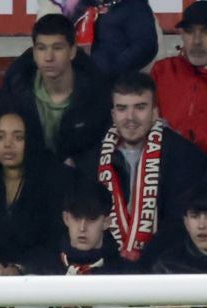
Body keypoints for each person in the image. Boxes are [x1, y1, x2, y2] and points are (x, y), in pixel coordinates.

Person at [84, 70, 207, 264]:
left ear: (155, 111)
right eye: (122, 109)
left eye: (140, 107)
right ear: (113, 114)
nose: (130, 117)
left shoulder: (186, 156)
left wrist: (141, 264)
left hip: (166, 268)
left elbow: (179, 222)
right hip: (105, 268)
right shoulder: (92, 159)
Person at [0, 13, 111, 164]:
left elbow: (105, 152)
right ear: (34, 52)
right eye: (41, 48)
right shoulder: (13, 93)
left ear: (72, 52)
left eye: (57, 48)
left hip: (79, 182)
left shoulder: (96, 95)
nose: (48, 57)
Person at [0, 112, 62, 276]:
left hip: (32, 274)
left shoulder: (50, 185)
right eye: (0, 137)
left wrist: (19, 268)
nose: (8, 144)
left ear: (30, 142)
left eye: (18, 138)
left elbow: (52, 243)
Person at [152, 2, 207, 152]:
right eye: (189, 31)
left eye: (205, 31)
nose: (196, 41)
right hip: (167, 166)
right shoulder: (163, 70)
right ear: (181, 34)